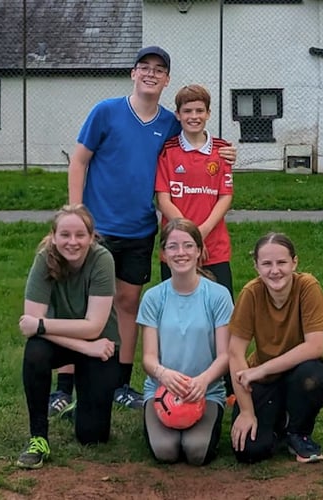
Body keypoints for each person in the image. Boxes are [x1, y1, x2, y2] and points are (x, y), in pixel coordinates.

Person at [60, 46, 238, 411]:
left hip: (140, 230)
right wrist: (77, 213)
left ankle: (121, 384)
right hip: (98, 227)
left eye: (159, 69)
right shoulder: (106, 112)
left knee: (128, 304)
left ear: (167, 79)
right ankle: (63, 388)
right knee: (79, 303)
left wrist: (227, 152)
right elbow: (79, 160)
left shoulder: (170, 124)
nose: (151, 74)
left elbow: (198, 139)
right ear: (133, 73)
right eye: (144, 67)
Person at [15, 203, 121, 469]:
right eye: (64, 235)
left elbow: (94, 327)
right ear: (54, 236)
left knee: (93, 437)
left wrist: (42, 326)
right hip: (83, 346)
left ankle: (78, 407)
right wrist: (85, 348)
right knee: (35, 352)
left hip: (103, 345)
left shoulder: (102, 259)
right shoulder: (44, 259)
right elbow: (32, 327)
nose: (72, 242)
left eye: (79, 235)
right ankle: (38, 437)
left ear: (91, 236)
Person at [154, 83, 236, 400]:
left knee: (221, 318)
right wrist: (187, 236)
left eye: (199, 110)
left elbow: (224, 198)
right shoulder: (169, 152)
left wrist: (200, 234)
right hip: (176, 250)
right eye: (187, 111)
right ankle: (171, 379)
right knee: (174, 318)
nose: (193, 116)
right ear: (178, 115)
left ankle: (227, 385)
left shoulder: (221, 150)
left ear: (208, 113)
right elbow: (163, 198)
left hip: (214, 249)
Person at [228, 232, 323, 464]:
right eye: (266, 264)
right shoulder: (251, 293)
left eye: (282, 262)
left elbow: (315, 346)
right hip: (264, 381)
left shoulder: (307, 286)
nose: (274, 270)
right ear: (256, 266)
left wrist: (262, 369)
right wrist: (247, 412)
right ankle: (278, 424)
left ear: (294, 263)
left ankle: (298, 432)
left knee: (314, 376)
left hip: (298, 373)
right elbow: (235, 353)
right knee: (249, 451)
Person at [137, 218, 233, 465]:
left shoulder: (218, 295)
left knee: (196, 451)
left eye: (188, 246)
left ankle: (205, 421)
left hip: (206, 390)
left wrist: (203, 381)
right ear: (163, 254)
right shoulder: (153, 297)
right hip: (162, 390)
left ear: (199, 251)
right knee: (166, 451)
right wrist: (163, 374)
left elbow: (225, 356)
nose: (181, 253)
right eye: (173, 247)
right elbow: (148, 358)